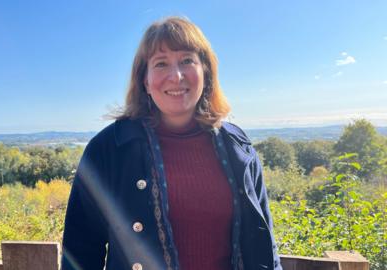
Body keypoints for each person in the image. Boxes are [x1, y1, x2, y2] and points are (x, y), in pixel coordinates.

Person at [61, 16, 282, 270]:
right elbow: (80, 252)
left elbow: (266, 248)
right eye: (161, 63)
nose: (176, 76)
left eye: (187, 60)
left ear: (205, 71)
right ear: (145, 79)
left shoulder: (239, 149)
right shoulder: (109, 150)